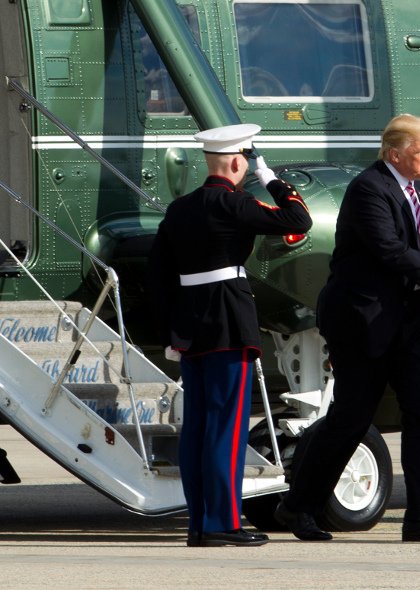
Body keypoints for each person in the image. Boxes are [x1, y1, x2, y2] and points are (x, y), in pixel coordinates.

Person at [274, 113, 420, 542]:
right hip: (364, 323)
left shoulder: (414, 186)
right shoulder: (369, 189)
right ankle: (298, 506)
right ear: (395, 153)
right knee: (351, 419)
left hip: (409, 323)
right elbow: (389, 251)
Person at [148, 123, 313, 547]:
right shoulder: (233, 203)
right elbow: (299, 219)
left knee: (199, 427)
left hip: (190, 327)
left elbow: (160, 276)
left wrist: (173, 329)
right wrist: (272, 179)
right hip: (227, 323)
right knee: (228, 426)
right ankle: (223, 523)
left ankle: (200, 524)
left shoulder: (179, 209)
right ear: (239, 161)